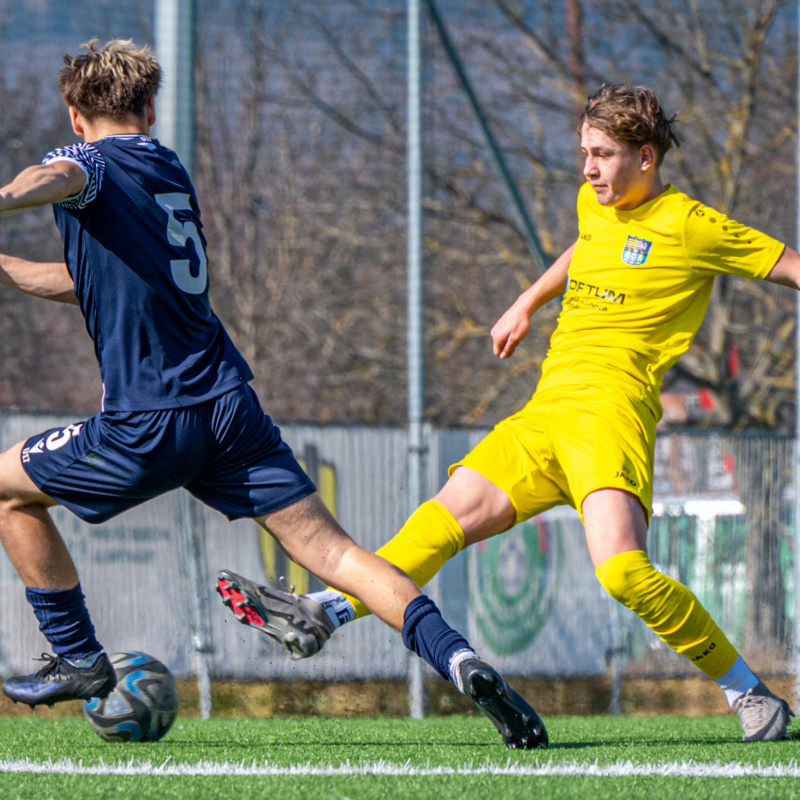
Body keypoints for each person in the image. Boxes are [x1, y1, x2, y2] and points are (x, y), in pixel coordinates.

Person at [0, 38, 547, 750]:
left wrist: (11, 195)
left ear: (76, 116)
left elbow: (50, 181)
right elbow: (92, 282)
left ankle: (77, 656)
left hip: (149, 419)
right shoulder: (165, 167)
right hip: (229, 409)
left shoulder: (89, 164)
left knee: (7, 491)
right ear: (151, 107)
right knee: (340, 556)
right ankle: (459, 658)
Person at [219, 83, 797, 743]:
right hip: (543, 414)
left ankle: (751, 694)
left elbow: (787, 264)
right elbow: (588, 248)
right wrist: (528, 300)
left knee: (624, 574)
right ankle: (324, 609)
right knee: (437, 524)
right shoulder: (595, 202)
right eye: (584, 151)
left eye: (603, 154)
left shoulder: (692, 224)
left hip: (608, 418)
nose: (588, 168)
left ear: (645, 156)